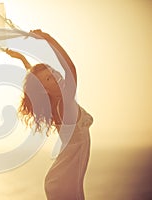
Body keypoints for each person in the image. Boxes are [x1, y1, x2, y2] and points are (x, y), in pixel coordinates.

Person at [5, 29, 93, 200]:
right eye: (48, 79)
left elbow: (36, 76)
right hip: (65, 181)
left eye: (52, 72)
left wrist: (21, 58)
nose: (54, 76)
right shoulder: (64, 102)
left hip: (62, 178)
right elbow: (71, 68)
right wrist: (48, 39)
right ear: (44, 89)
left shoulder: (53, 102)